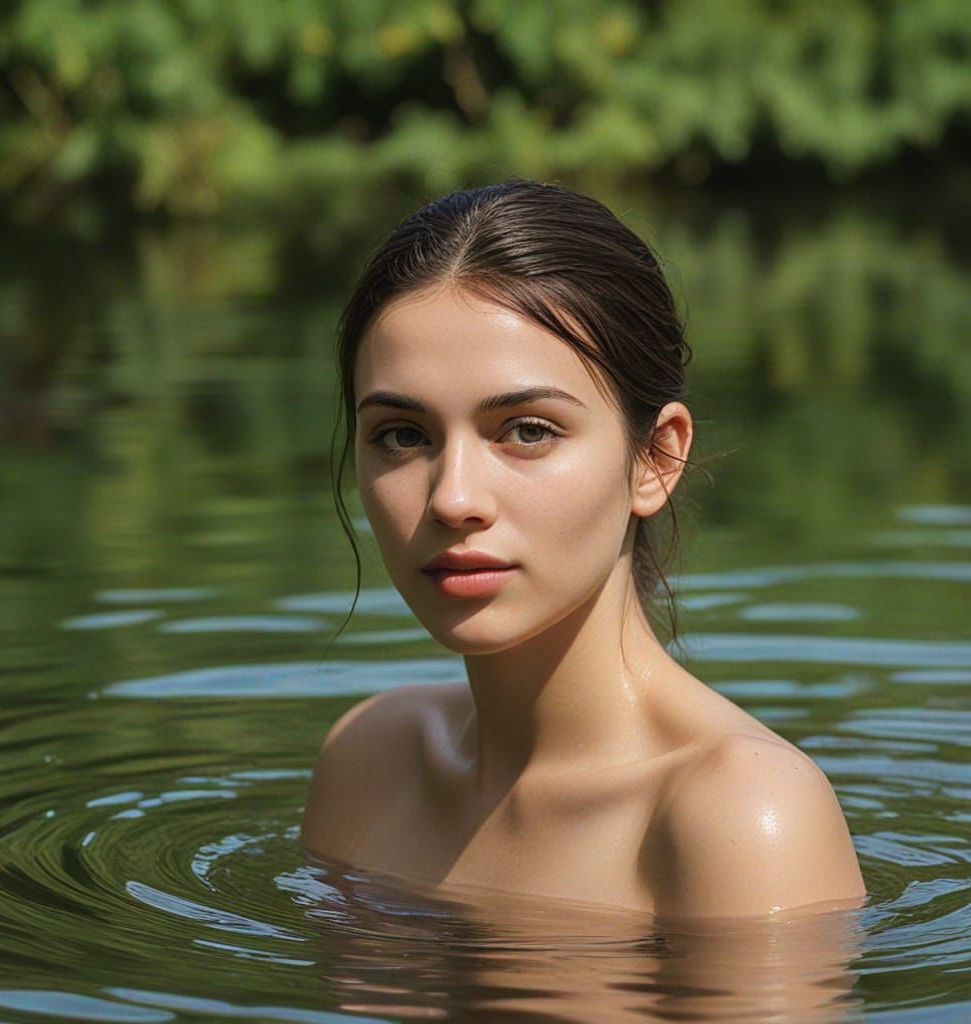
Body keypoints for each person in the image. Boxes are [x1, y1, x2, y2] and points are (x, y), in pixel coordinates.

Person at [302, 181, 866, 918]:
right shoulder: (367, 763)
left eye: (527, 430)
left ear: (654, 460)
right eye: (403, 436)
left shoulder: (740, 819)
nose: (453, 498)